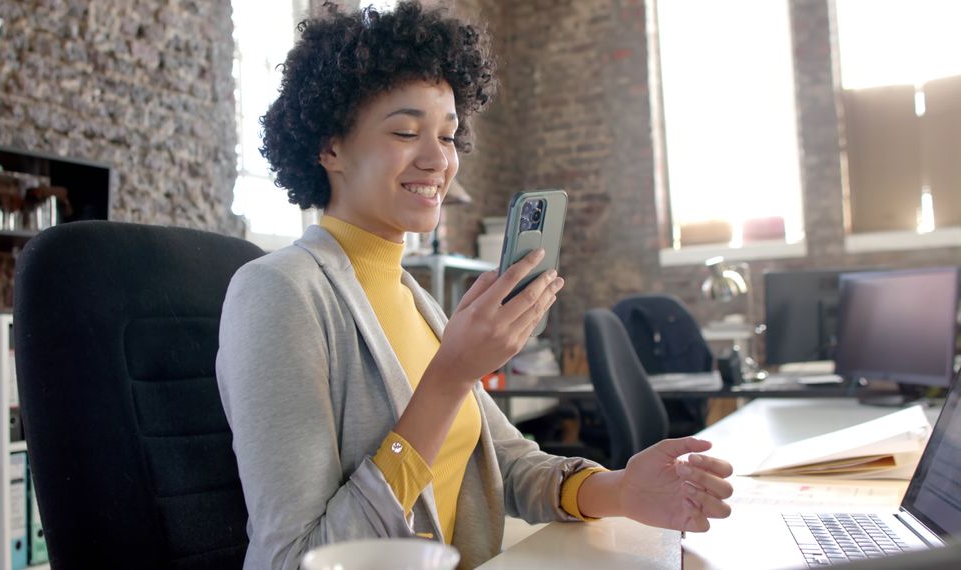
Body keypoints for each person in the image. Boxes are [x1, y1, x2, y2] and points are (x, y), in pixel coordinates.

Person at [216, 2, 733, 569]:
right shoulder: (276, 293)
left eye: (450, 135)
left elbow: (505, 462)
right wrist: (452, 374)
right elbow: (296, 558)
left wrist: (620, 491)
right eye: (406, 131)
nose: (439, 159)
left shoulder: (415, 301)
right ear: (330, 147)